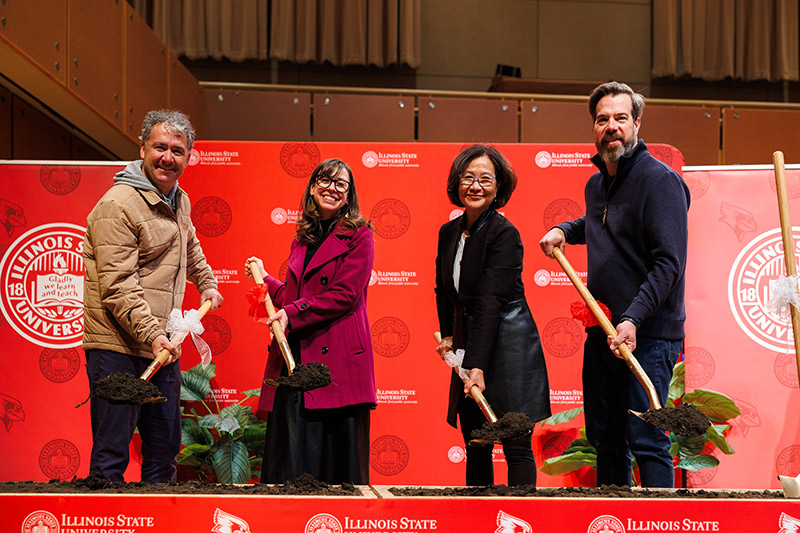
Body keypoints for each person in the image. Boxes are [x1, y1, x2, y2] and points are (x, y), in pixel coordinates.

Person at [539, 81, 690, 488]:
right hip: (603, 330)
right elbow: (603, 225)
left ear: (637, 123)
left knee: (647, 440)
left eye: (621, 118)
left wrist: (634, 320)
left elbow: (668, 264)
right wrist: (563, 231)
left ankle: (660, 525)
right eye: (603, 119)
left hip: (649, 334)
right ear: (593, 127)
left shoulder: (661, 182)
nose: (612, 126)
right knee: (606, 439)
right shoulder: (596, 184)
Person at [83, 110, 223, 482]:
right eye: (160, 147)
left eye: (177, 150)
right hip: (118, 346)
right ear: (142, 147)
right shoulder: (118, 205)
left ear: (189, 156)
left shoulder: (179, 200)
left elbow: (189, 245)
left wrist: (207, 282)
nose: (168, 157)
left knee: (163, 452)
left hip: (161, 346)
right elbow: (117, 285)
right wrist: (152, 333)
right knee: (112, 452)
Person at [246, 158, 376, 485]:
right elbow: (295, 295)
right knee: (293, 461)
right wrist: (266, 281)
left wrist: (290, 312)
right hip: (298, 358)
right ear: (313, 187)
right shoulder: (303, 236)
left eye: (340, 184)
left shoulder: (360, 235)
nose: (332, 188)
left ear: (349, 195)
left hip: (338, 363)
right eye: (325, 181)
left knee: (335, 468)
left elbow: (344, 294)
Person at [434, 144, 551, 487]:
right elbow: (444, 291)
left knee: (515, 445)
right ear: (456, 183)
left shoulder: (504, 234)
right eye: (468, 177)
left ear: (499, 187)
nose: (475, 186)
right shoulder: (448, 232)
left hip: (510, 349)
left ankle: (523, 522)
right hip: (471, 344)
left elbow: (490, 301)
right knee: (477, 444)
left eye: (486, 179)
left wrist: (476, 366)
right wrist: (449, 338)